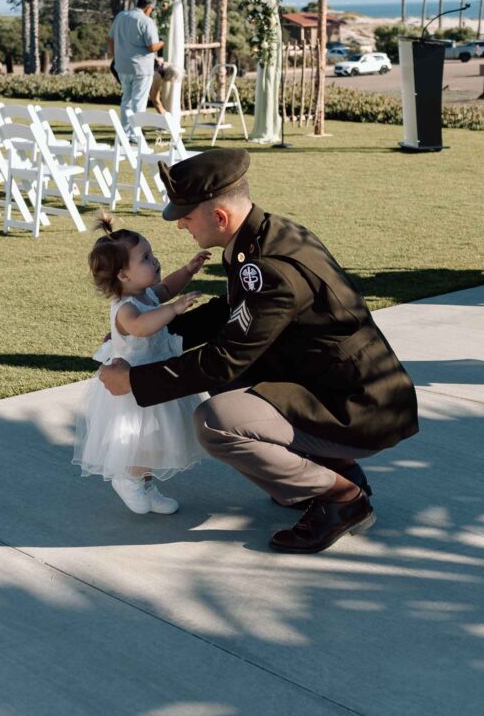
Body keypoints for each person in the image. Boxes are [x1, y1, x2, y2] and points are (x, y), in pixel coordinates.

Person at [99, 148, 419, 553]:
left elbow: (221, 361)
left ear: (219, 217)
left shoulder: (268, 266)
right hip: (337, 386)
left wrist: (134, 380)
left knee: (216, 420)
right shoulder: (262, 235)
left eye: (187, 215)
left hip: (358, 407)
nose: (180, 225)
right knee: (231, 384)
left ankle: (342, 497)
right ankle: (330, 470)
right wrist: (141, 335)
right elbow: (232, 308)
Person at [73, 215, 210, 515]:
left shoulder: (145, 293)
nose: (155, 261)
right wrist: (173, 310)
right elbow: (142, 327)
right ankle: (129, 479)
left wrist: (188, 270)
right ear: (123, 275)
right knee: (145, 444)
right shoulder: (126, 309)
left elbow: (167, 288)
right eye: (145, 258)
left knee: (157, 444)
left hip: (156, 378)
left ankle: (146, 486)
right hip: (134, 389)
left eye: (151, 253)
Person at [107, 0, 164, 141]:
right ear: (148, 8)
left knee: (126, 100)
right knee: (139, 101)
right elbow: (152, 46)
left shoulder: (121, 16)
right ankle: (135, 134)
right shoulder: (146, 21)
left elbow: (111, 38)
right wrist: (163, 42)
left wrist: (115, 56)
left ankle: (125, 133)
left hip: (122, 65)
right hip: (141, 68)